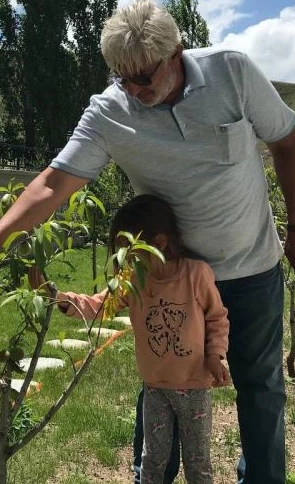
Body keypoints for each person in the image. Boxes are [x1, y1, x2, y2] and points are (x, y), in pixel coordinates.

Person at [0, 0, 295, 484]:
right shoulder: (109, 112)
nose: (134, 88)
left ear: (177, 53)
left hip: (251, 267)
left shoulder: (233, 72)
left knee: (260, 388)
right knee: (162, 381)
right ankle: (151, 476)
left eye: (144, 75)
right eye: (121, 76)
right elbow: (54, 182)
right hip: (167, 279)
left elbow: (286, 142)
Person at [29, 194, 230, 484]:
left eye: (129, 251)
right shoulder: (133, 280)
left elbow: (217, 318)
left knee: (198, 464)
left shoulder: (195, 275)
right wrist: (57, 298)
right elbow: (99, 306)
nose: (123, 259)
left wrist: (215, 355)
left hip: (194, 388)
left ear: (159, 243)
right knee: (151, 461)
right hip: (155, 389)